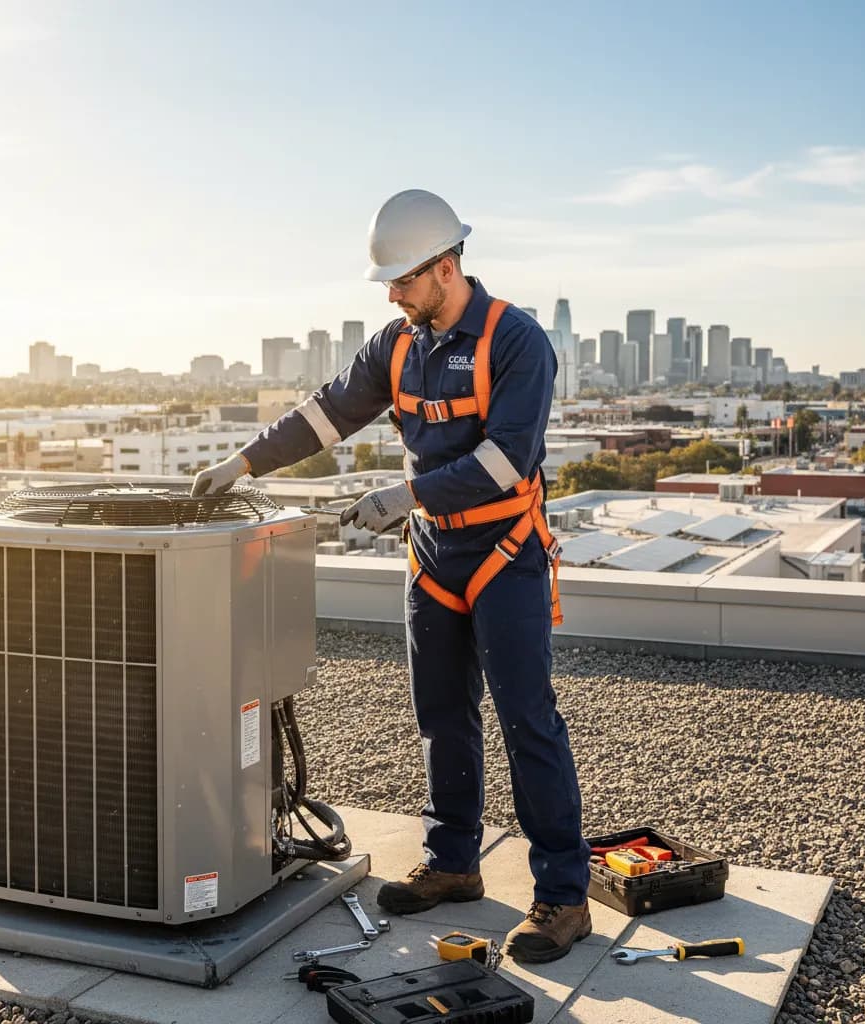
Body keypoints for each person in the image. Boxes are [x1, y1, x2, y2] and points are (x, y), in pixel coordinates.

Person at [191, 189, 591, 963]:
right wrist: (240, 461)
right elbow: (327, 413)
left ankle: (564, 897)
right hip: (436, 555)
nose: (392, 293)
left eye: (403, 280)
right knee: (442, 714)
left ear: (446, 267)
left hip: (504, 554)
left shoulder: (517, 342)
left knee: (527, 721)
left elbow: (509, 460)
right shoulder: (398, 343)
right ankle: (452, 863)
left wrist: (402, 494)